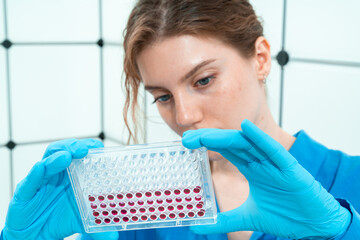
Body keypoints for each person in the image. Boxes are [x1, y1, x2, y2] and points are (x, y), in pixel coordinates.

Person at [1, 0, 360, 239]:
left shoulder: (352, 179)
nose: (185, 116)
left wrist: (345, 232)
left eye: (203, 80)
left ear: (261, 58)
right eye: (163, 97)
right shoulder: (143, 204)